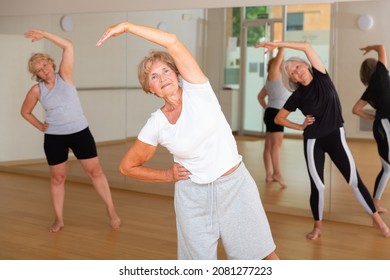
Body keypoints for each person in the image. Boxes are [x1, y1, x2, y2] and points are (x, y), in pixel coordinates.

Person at [96, 22, 279, 260]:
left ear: (177, 74)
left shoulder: (198, 91)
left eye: (165, 71)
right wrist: (167, 175)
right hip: (193, 197)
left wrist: (127, 27)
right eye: (153, 76)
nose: (161, 78)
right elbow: (126, 167)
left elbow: (172, 41)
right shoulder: (157, 124)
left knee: (264, 258)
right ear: (149, 89)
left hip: (234, 186)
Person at [256, 41, 390, 240]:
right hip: (313, 141)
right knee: (318, 185)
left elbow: (307, 46)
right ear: (292, 79)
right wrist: (300, 126)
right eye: (291, 72)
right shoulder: (297, 96)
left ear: (306, 65)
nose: (296, 71)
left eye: (297, 66)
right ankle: (317, 226)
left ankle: (379, 222)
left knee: (353, 180)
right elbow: (278, 118)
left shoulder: (321, 76)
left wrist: (277, 44)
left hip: (335, 135)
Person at [21, 30, 121, 233]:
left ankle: (111, 211)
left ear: (51, 63)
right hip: (54, 138)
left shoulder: (64, 76)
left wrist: (45, 35)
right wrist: (41, 126)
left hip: (80, 133)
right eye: (39, 70)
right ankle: (58, 219)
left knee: (95, 172)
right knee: (57, 178)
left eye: (45, 65)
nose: (44, 70)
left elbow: (68, 45)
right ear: (36, 75)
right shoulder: (36, 90)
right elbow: (25, 112)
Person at [353, 44, 390, 213]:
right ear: (377, 67)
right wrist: (369, 48)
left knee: (387, 168)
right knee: (388, 168)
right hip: (386, 125)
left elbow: (356, 109)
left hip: (382, 125)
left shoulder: (370, 88)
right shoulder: (382, 74)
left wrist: (375, 117)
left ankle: (375, 203)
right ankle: (374, 203)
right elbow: (381, 47)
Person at [257, 47, 289, 188]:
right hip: (276, 113)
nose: (282, 64)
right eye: (280, 62)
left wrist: (267, 108)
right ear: (275, 65)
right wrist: (282, 45)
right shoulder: (274, 74)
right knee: (276, 145)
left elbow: (260, 97)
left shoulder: (272, 81)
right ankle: (277, 173)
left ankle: (269, 174)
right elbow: (279, 57)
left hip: (271, 112)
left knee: (269, 145)